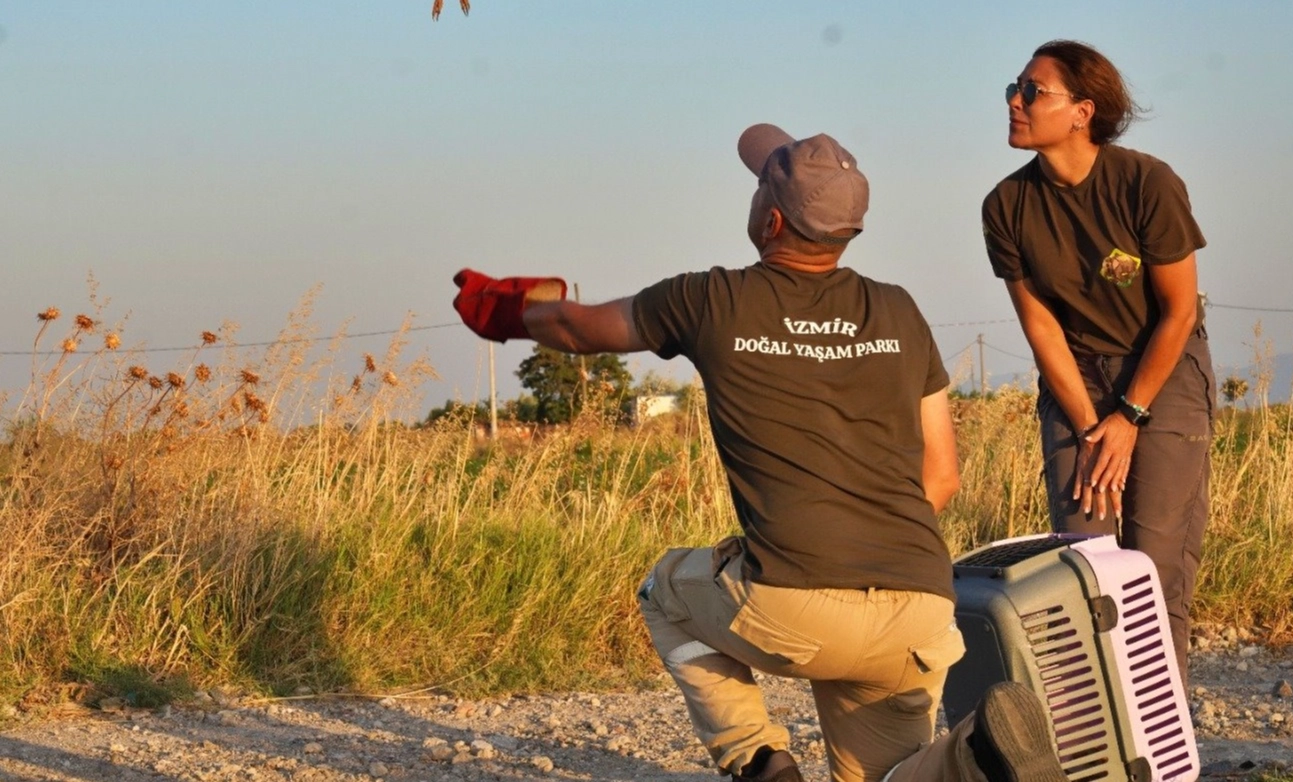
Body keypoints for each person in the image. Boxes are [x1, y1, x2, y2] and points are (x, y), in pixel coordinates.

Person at [452, 125, 1068, 782]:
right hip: (914, 608)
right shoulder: (897, 311)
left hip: (791, 604)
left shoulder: (709, 299)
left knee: (664, 588)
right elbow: (940, 476)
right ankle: (975, 758)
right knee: (889, 776)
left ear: (769, 220)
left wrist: (513, 308)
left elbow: (578, 327)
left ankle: (756, 760)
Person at [980, 39, 1216, 679]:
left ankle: (1161, 758)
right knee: (1085, 565)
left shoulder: (1147, 182)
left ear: (1083, 111)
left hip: (1160, 374)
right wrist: (1090, 427)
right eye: (1014, 87)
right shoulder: (1006, 206)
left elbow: (1179, 312)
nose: (1015, 101)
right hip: (1076, 381)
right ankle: (1104, 750)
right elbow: (1042, 326)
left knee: (1153, 567)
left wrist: (1130, 416)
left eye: (1033, 91)